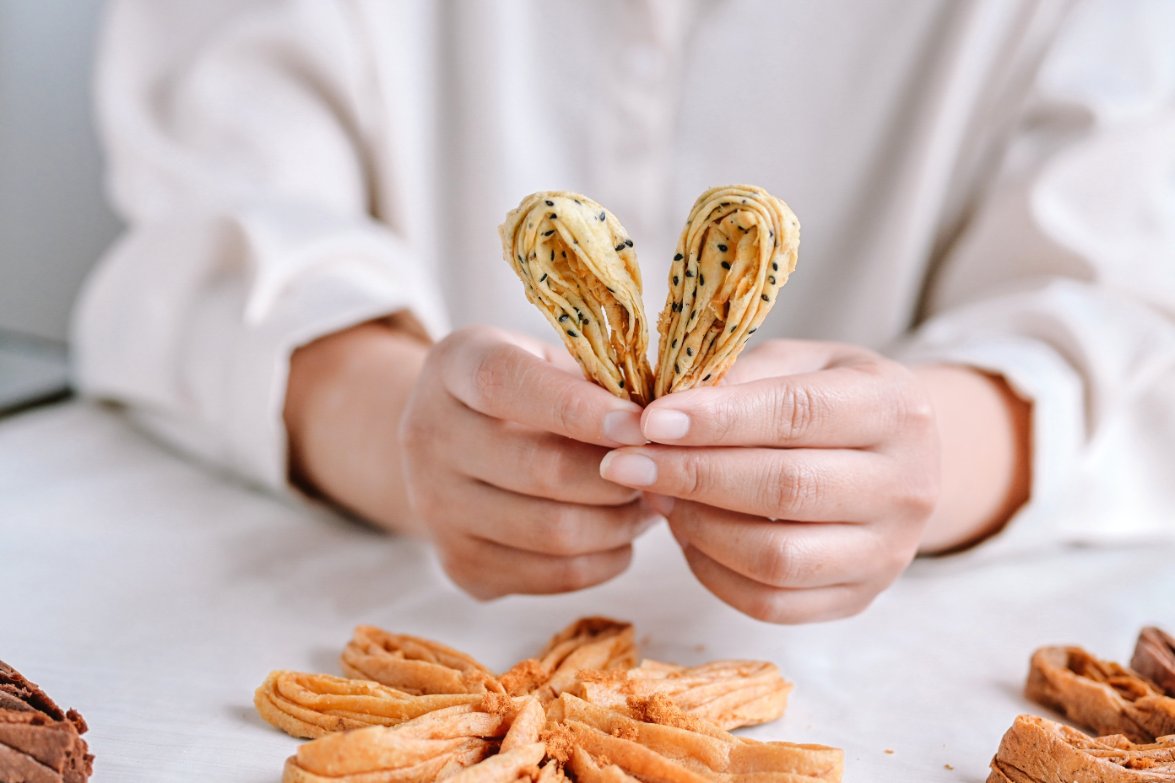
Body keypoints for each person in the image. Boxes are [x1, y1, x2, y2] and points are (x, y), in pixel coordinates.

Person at [75, 0, 1175, 622]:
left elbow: (1125, 314)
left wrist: (926, 454)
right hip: (320, 590)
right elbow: (203, 242)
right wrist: (392, 427)